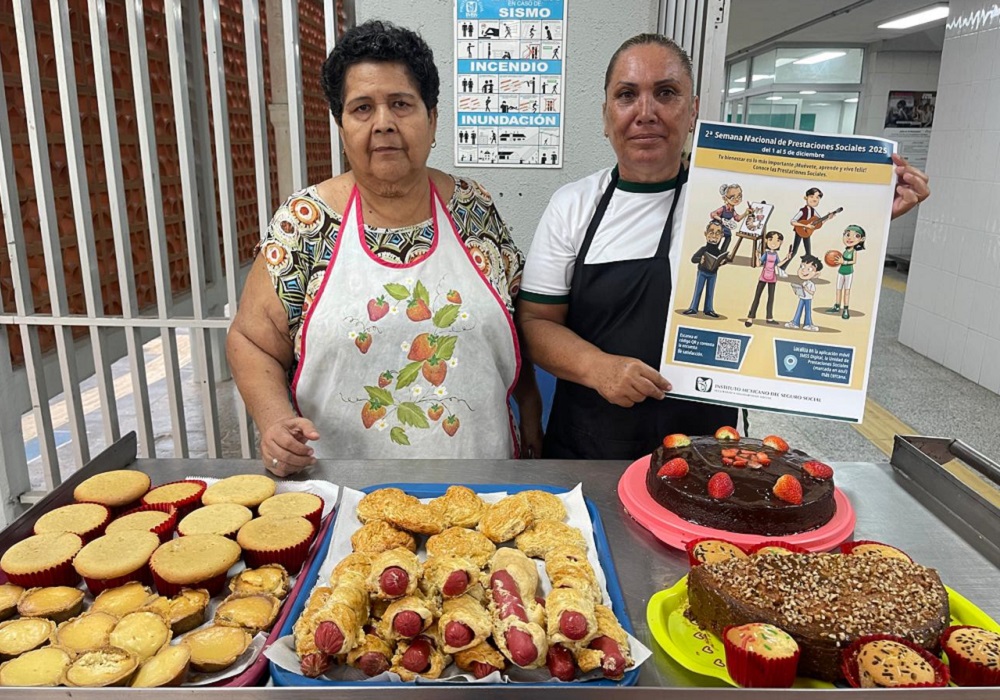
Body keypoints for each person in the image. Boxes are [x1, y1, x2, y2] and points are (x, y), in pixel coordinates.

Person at [517, 32, 931, 461]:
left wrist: (872, 214)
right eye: (626, 95)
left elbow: (794, 248)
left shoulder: (731, 200)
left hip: (706, 450)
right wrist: (598, 368)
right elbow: (536, 321)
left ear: (692, 110)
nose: (646, 113)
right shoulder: (573, 205)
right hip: (588, 444)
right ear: (606, 115)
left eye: (666, 93)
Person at [227, 21, 542, 475]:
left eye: (401, 104)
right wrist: (274, 420)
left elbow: (519, 325)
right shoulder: (304, 225)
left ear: (432, 120)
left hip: (481, 486)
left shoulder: (475, 209)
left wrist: (531, 412)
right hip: (342, 489)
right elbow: (250, 339)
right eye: (361, 108)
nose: (383, 124)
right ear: (341, 127)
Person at [745, 231, 791, 327]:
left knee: (771, 298)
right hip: (763, 276)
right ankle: (750, 317)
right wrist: (757, 256)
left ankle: (769, 318)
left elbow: (778, 265)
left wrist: (787, 258)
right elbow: (758, 264)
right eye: (771, 240)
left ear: (780, 243)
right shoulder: (766, 254)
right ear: (766, 240)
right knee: (757, 297)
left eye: (777, 241)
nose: (774, 243)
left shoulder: (775, 255)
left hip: (772, 278)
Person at [683, 220, 728, 318]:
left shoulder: (719, 251)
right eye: (711, 232)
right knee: (698, 290)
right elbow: (693, 259)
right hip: (702, 272)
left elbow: (723, 258)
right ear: (705, 234)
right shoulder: (703, 249)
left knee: (710, 292)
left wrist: (722, 262)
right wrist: (700, 259)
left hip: (713, 274)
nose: (714, 236)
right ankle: (693, 308)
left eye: (718, 233)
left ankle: (708, 309)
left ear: (721, 236)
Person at [827, 224, 866, 320]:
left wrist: (843, 261)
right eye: (847, 234)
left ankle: (845, 309)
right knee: (838, 289)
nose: (850, 238)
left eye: (856, 236)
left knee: (847, 291)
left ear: (861, 239)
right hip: (841, 271)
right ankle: (837, 306)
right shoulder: (845, 251)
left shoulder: (853, 251)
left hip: (849, 272)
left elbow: (854, 261)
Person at [784, 254, 823, 332]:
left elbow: (812, 292)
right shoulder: (804, 282)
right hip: (802, 297)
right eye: (802, 267)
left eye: (810, 269)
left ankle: (808, 324)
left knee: (807, 311)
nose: (804, 270)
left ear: (816, 274)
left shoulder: (811, 284)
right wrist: (797, 290)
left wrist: (806, 289)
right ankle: (795, 323)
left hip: (808, 299)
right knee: (799, 310)